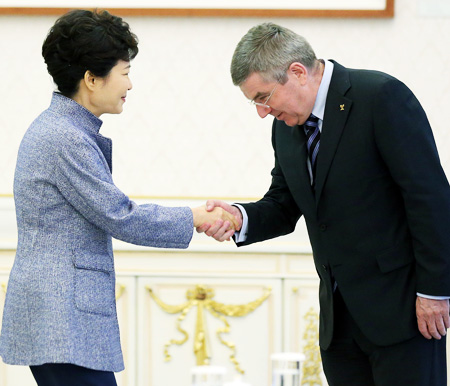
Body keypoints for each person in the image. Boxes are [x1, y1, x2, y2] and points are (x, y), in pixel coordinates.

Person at [198, 22, 450, 385]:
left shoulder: (380, 97)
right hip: (339, 324)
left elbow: (429, 197)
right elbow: (284, 204)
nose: (262, 112)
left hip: (405, 313)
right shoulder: (285, 126)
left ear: (297, 72)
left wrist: (434, 292)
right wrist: (239, 217)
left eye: (263, 97)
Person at [0, 9, 237, 386]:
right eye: (125, 73)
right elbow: (119, 215)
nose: (130, 84)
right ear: (91, 79)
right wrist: (194, 216)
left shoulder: (63, 129)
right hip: (61, 318)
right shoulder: (65, 137)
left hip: (61, 318)